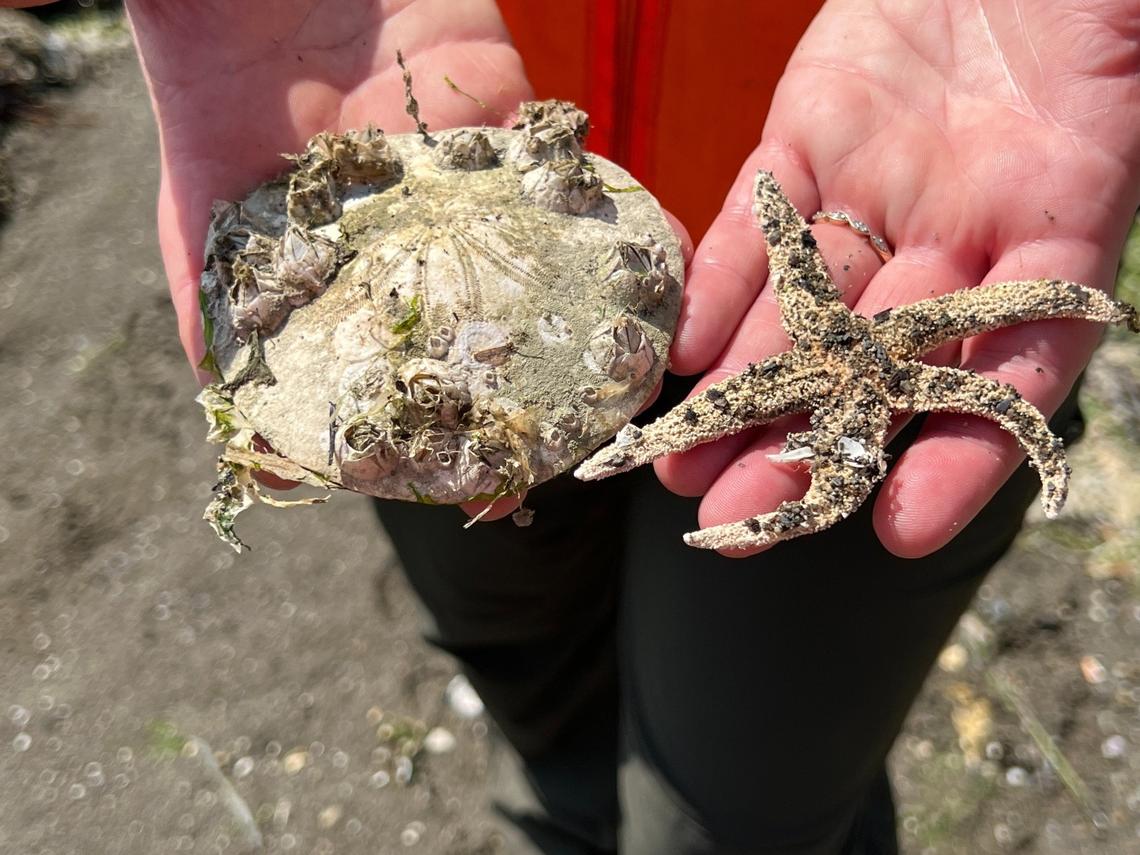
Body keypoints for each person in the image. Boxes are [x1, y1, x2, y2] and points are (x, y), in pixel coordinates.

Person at [16, 0, 1138, 851]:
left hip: (879, 218)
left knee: (735, 806)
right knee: (530, 677)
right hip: (453, 293)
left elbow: (863, 291)